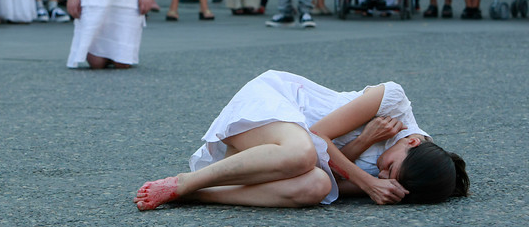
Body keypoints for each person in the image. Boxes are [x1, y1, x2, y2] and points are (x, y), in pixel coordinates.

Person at [134, 69, 469, 210]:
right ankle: (184, 182)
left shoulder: (401, 175)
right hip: (273, 106)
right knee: (302, 152)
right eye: (389, 170)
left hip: (269, 156)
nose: (382, 177)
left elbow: (334, 177)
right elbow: (319, 135)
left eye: (385, 179)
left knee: (316, 187)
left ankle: (201, 194)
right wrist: (367, 177)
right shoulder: (393, 101)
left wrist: (364, 152)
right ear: (412, 143)